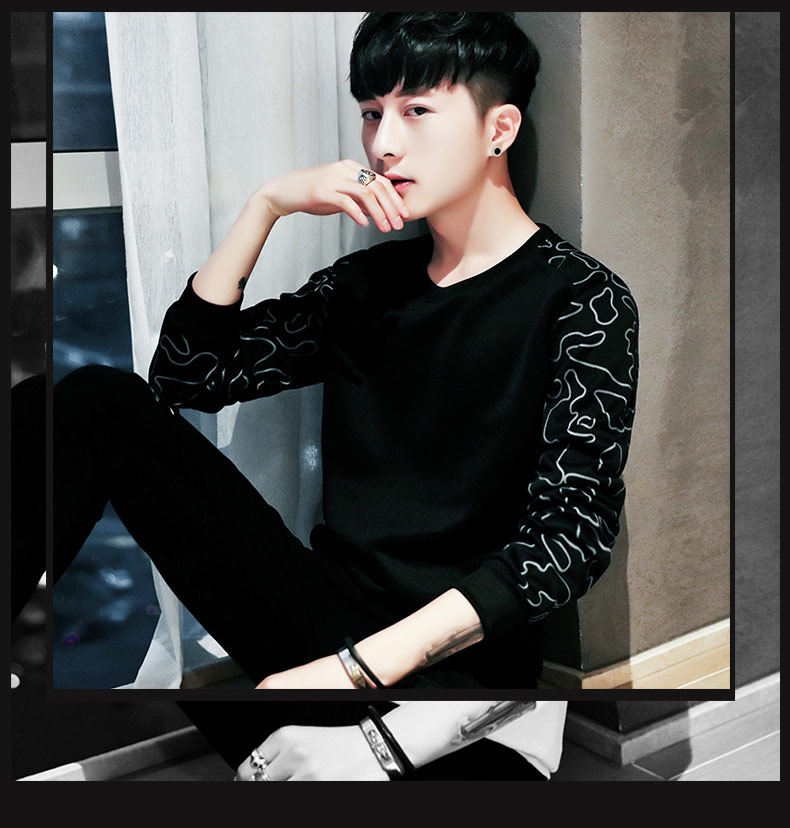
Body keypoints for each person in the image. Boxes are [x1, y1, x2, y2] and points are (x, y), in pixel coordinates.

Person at [27, 11, 638, 779]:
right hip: (324, 629)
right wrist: (267, 205)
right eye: (373, 114)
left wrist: (357, 678)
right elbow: (187, 377)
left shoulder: (582, 300)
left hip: (458, 687)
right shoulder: (369, 285)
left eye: (417, 110)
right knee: (93, 404)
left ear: (499, 129)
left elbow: (571, 539)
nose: (384, 144)